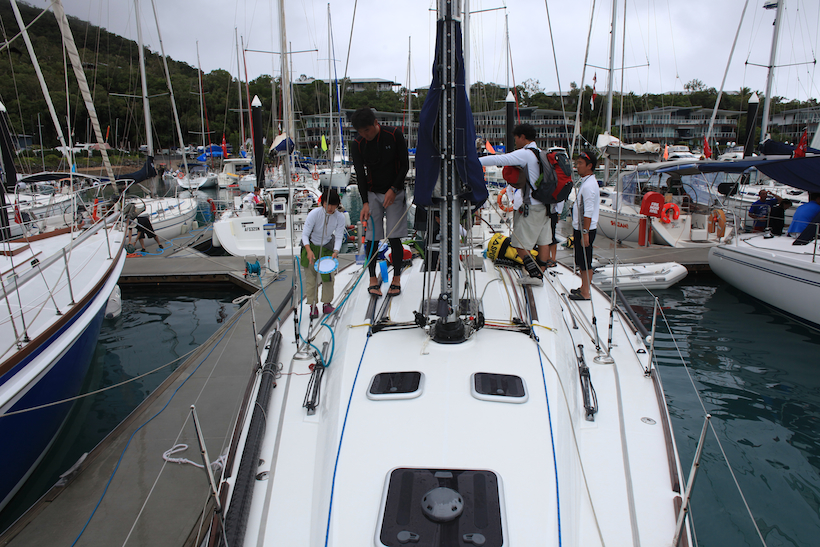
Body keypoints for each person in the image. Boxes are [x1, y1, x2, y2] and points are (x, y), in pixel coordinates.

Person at [350, 107, 410, 297]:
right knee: (372, 237)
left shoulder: (394, 135)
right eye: (360, 132)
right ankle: (372, 278)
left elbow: (405, 165)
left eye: (367, 130)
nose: (364, 135)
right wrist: (365, 202)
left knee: (394, 236)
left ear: (375, 123)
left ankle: (396, 278)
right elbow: (360, 175)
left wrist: (393, 189)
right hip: (372, 193)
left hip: (395, 191)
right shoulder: (358, 144)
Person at [478, 123, 549, 279]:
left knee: (519, 244)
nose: (516, 142)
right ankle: (542, 271)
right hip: (545, 205)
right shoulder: (541, 153)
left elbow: (500, 159)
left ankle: (535, 274)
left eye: (516, 138)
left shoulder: (526, 154)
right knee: (543, 241)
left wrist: (474, 161)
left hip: (531, 206)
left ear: (522, 137)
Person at [301, 188, 346, 318]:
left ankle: (327, 304)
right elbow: (305, 235)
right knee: (311, 279)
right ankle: (312, 306)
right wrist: (308, 251)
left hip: (327, 248)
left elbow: (339, 236)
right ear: (322, 203)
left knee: (328, 278)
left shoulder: (340, 217)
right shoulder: (314, 214)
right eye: (327, 204)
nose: (330, 208)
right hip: (310, 246)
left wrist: (336, 251)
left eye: (333, 205)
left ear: (338, 205)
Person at [569, 151, 600, 301]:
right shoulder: (587, 182)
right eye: (577, 163)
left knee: (585, 261)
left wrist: (585, 232)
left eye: (581, 163)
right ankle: (583, 287)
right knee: (581, 260)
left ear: (589, 166)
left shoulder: (588, 186)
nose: (577, 166)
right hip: (581, 228)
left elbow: (588, 211)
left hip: (585, 229)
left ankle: (586, 292)